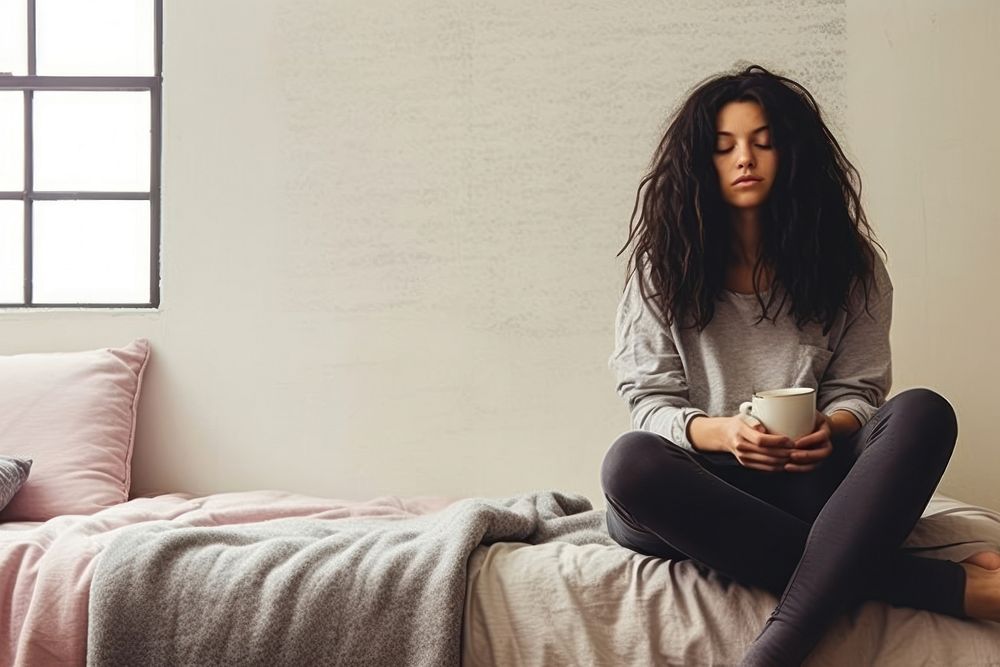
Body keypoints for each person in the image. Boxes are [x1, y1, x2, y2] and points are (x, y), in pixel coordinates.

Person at [599, 63, 1000, 666]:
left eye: (764, 143)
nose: (744, 159)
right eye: (725, 146)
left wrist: (832, 429)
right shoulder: (663, 267)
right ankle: (944, 589)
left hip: (810, 484)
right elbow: (650, 398)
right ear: (699, 163)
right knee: (628, 463)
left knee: (923, 412)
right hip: (698, 489)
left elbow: (858, 391)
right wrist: (722, 432)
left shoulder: (851, 268)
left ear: (793, 156)